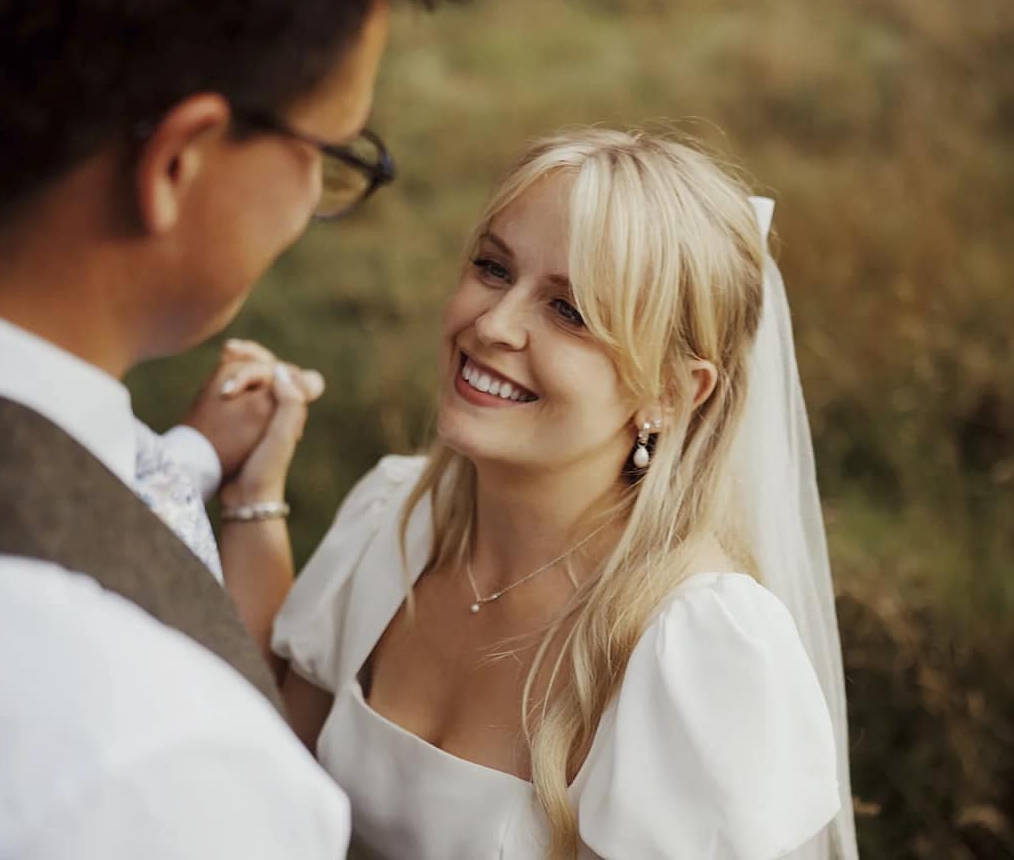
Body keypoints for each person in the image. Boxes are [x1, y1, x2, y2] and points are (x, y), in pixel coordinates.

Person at [0, 0, 455, 857]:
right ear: (179, 162)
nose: (317, 200)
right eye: (330, 153)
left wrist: (195, 460)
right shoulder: (145, 764)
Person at [218, 128, 860, 859]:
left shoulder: (696, 653)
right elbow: (264, 765)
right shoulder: (395, 517)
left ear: (673, 393)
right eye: (493, 268)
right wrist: (252, 492)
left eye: (570, 312)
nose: (492, 325)